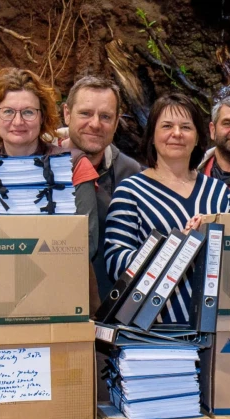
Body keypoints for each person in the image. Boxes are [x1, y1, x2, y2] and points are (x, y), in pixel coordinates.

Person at [103, 93, 230, 325]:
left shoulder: (220, 193)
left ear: (197, 137)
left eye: (186, 127)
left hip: (213, 326)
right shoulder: (131, 191)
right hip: (151, 329)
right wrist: (174, 246)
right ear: (152, 136)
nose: (177, 134)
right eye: (167, 126)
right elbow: (116, 264)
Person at [0, 68, 100, 257]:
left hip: (63, 279)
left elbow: (87, 242)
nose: (18, 121)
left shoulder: (73, 165)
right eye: (7, 112)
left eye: (28, 112)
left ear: (42, 117)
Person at [61, 76, 142, 298]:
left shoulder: (131, 173)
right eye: (85, 113)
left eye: (105, 116)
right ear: (67, 113)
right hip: (49, 304)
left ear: (117, 122)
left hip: (111, 310)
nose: (95, 124)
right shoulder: (39, 163)